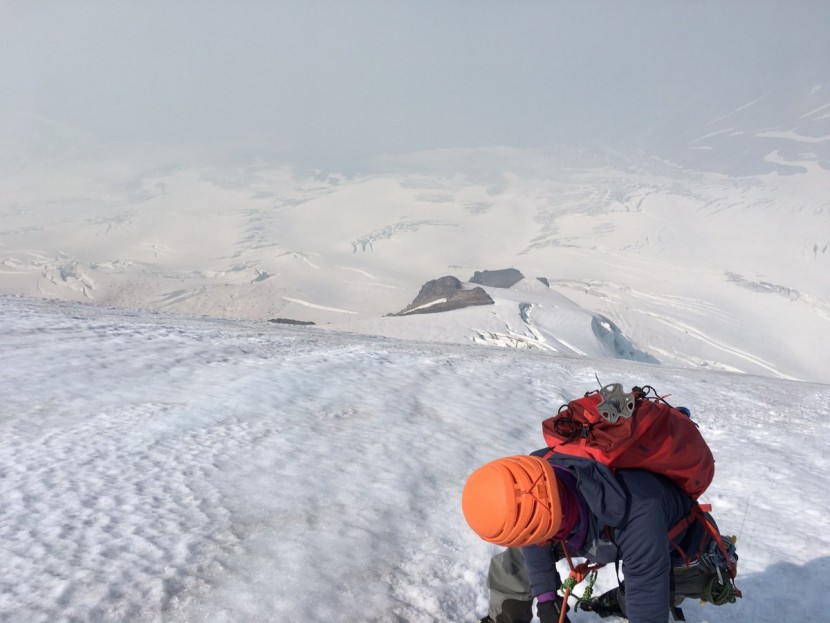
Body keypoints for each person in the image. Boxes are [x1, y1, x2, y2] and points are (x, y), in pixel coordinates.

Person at [462, 450, 709, 623]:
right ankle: (505, 617)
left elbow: (647, 593)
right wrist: (546, 598)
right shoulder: (536, 472)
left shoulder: (638, 514)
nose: (535, 541)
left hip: (675, 537)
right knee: (516, 562)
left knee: (670, 584)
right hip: (587, 524)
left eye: (537, 534)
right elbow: (530, 528)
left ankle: (623, 600)